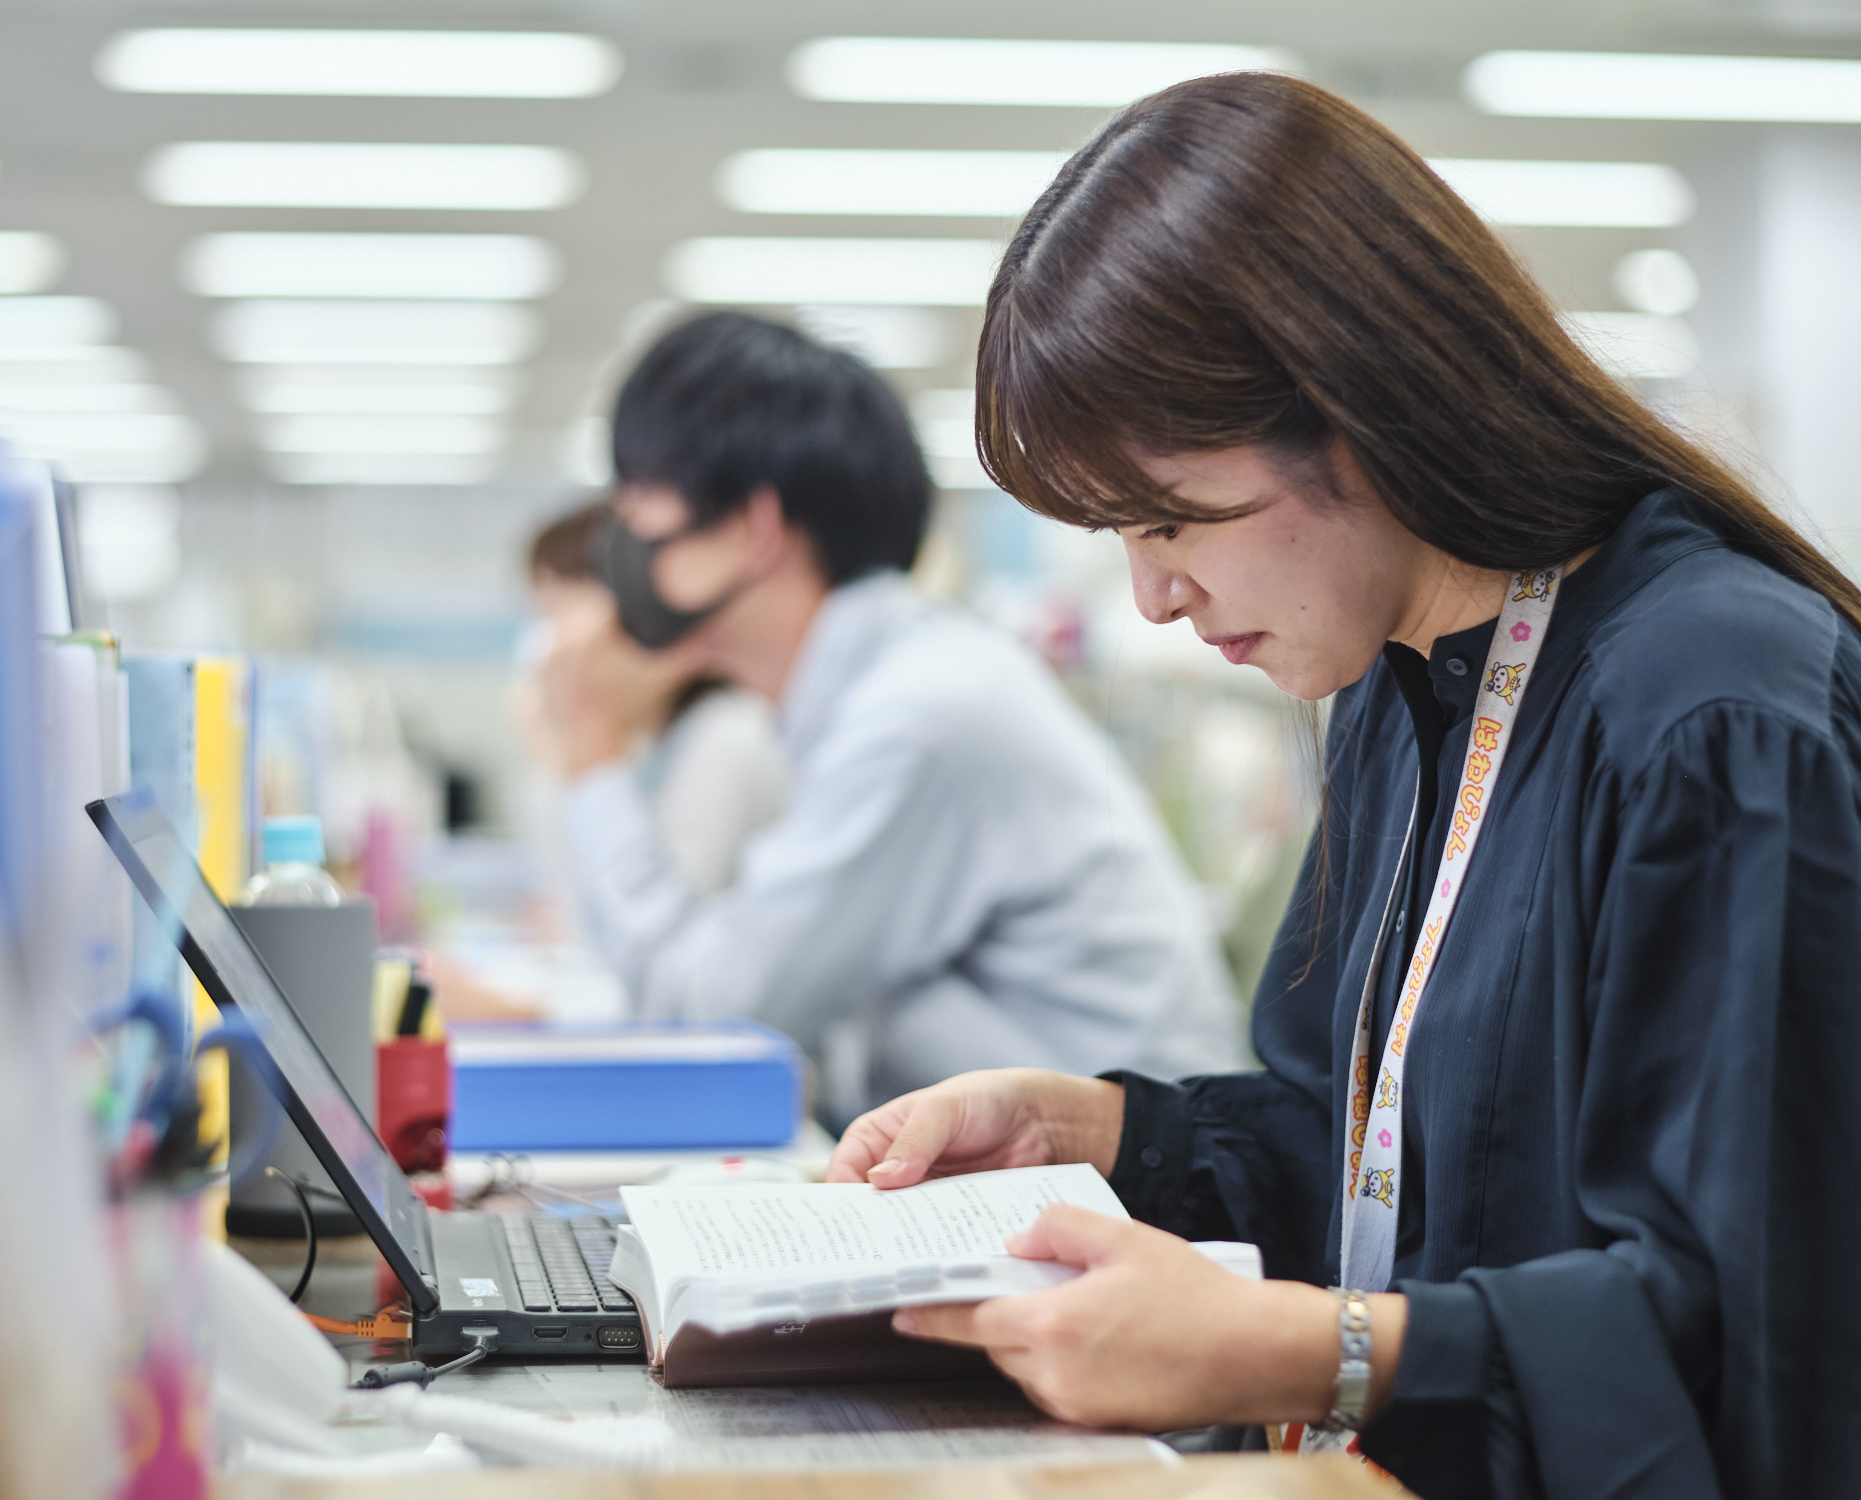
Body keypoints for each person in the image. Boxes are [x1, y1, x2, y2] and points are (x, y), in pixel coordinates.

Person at [827, 73, 1861, 1500]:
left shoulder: (1708, 712)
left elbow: (1742, 1341)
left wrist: (1297, 1351)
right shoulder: (1398, 677)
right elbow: (1385, 1163)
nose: (1151, 596)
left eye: (1174, 519)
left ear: (1362, 413)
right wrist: (1091, 1133)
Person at [537, 311, 1250, 1121]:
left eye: (640, 504)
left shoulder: (916, 716)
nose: (625, 544)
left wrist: (590, 745)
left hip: (1137, 1204)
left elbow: (706, 1014)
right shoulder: (872, 689)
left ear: (748, 529)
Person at [518, 501, 788, 896]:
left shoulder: (728, 738)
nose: (547, 652)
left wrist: (576, 739)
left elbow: (642, 932)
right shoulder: (662, 744)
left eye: (559, 611)